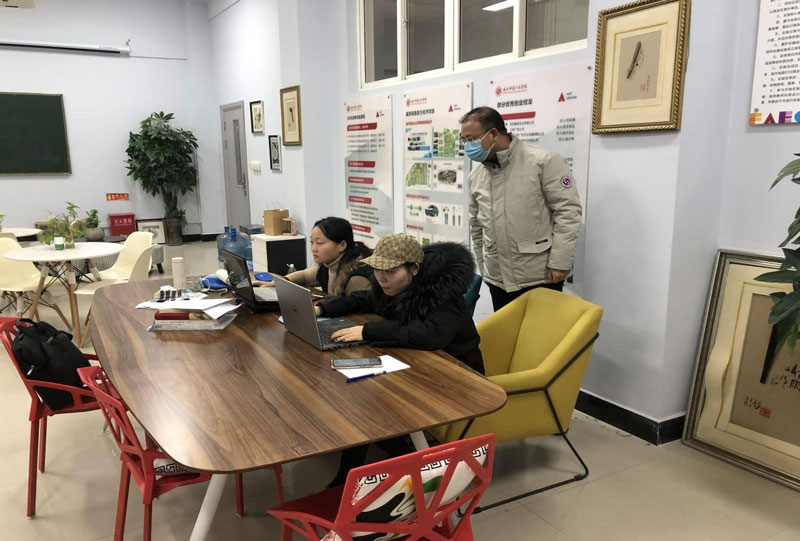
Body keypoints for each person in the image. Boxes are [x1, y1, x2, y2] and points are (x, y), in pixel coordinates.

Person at [315, 233, 484, 488]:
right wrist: (323, 308)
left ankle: (406, 461)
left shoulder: (442, 295)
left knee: (369, 405)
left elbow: (429, 335)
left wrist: (368, 331)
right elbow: (364, 299)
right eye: (377, 270)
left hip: (456, 373)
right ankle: (389, 460)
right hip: (416, 363)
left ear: (413, 269)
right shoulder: (393, 286)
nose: (381, 278)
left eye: (390, 271)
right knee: (361, 398)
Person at [460, 106, 582, 311]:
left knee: (541, 331)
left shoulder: (543, 161)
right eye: (464, 140)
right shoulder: (476, 176)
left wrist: (560, 262)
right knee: (506, 330)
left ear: (494, 134)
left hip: (539, 276)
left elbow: (568, 213)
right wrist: (485, 269)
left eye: (471, 139)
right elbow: (476, 226)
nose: (468, 147)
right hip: (498, 280)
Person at [256, 216, 373, 295]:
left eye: (320, 243)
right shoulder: (328, 265)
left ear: (342, 245)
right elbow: (305, 275)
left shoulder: (356, 277)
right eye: (312, 242)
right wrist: (275, 283)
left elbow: (356, 312)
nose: (313, 248)